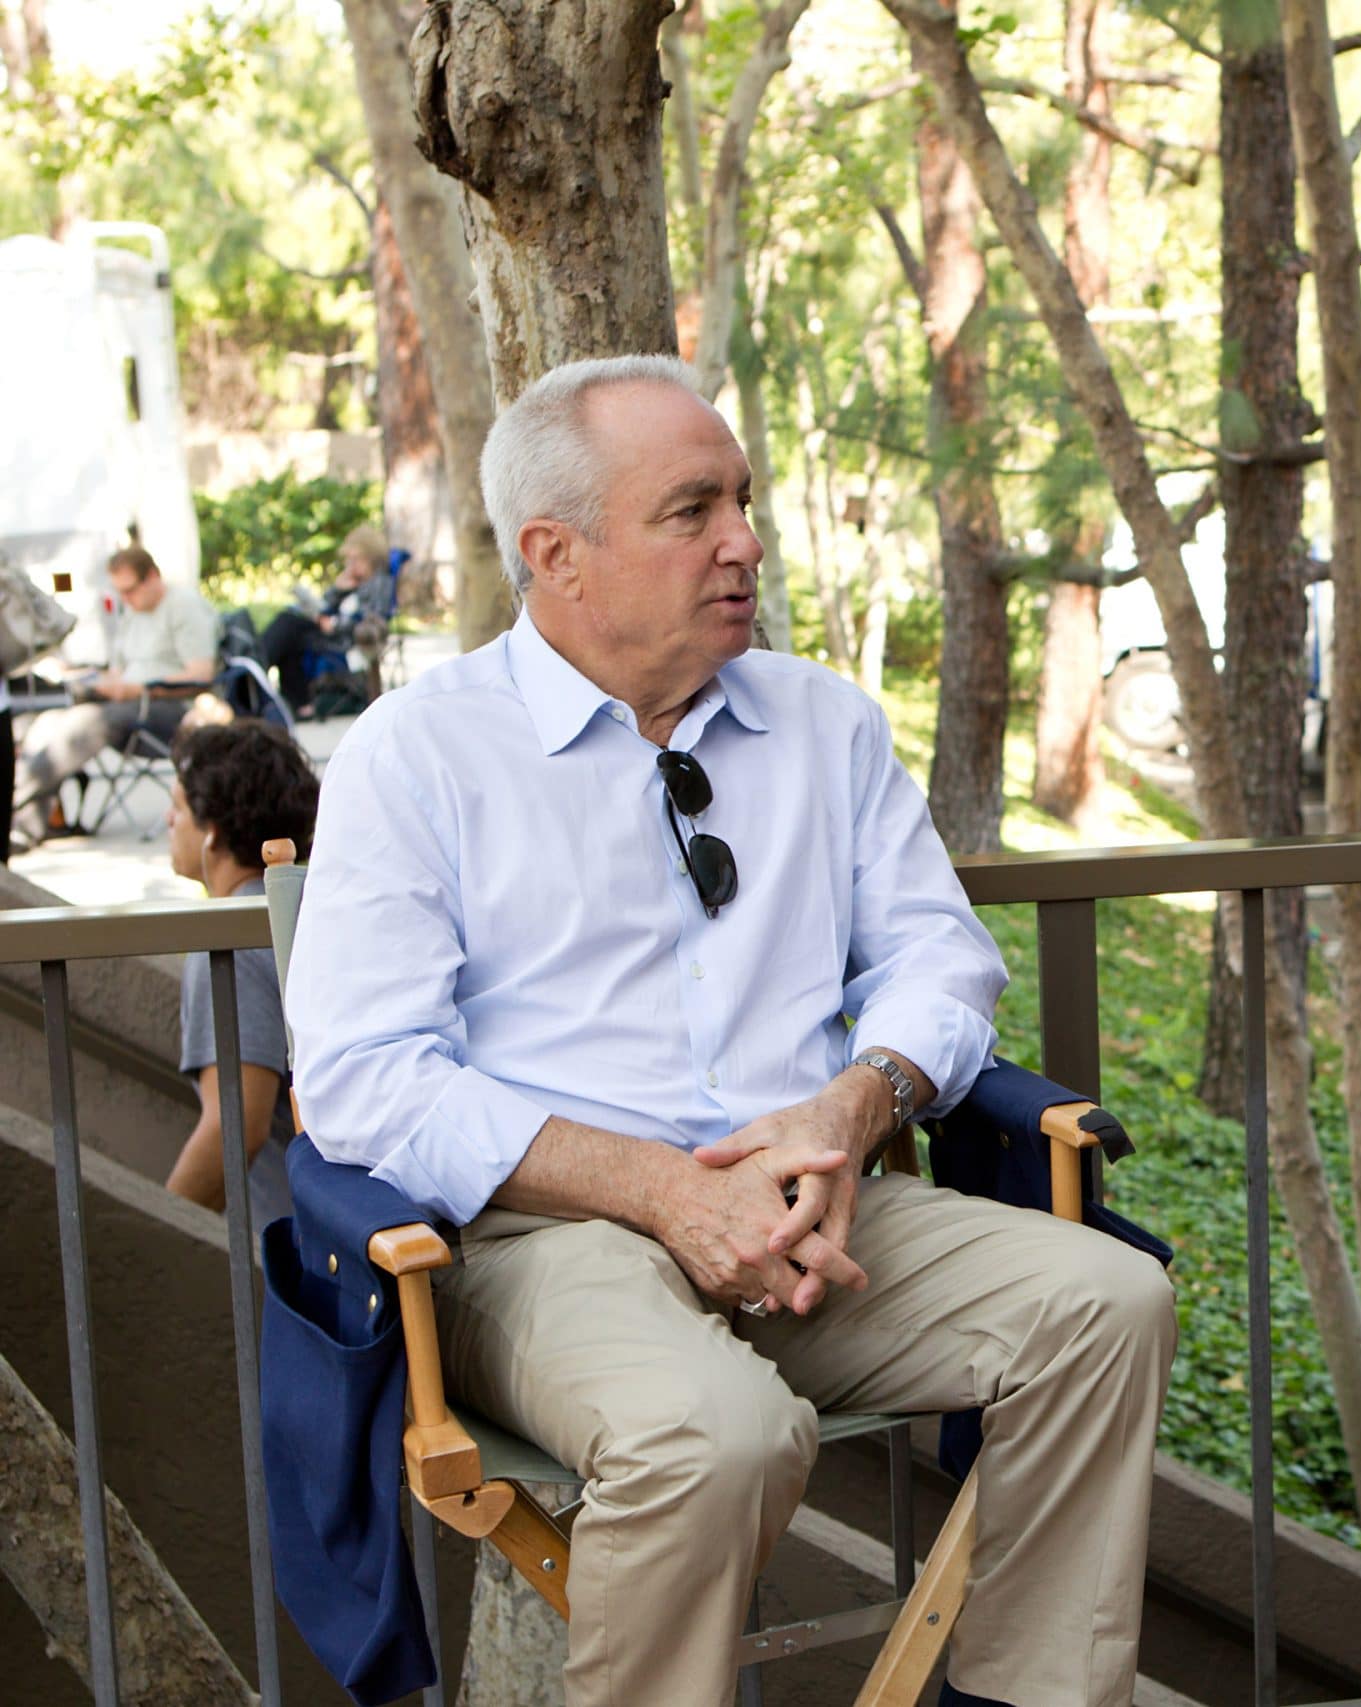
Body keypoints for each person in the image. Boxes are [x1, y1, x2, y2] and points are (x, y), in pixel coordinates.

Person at [287, 354, 1174, 1707]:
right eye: (692, 508)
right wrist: (654, 1186)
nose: (745, 541)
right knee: (716, 1432)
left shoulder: (821, 723)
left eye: (743, 501)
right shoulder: (418, 756)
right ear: (556, 554)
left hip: (816, 1200)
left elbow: (942, 958)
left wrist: (853, 1107)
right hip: (546, 1239)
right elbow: (366, 1083)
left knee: (1106, 1299)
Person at [161, 720, 319, 1232]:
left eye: (178, 809)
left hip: (291, 1255)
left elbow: (237, 1125)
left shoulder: (228, 945)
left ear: (211, 832)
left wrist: (160, 1229)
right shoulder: (304, 912)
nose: (167, 820)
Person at [11, 545, 220, 850]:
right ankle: (31, 822)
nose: (126, 599)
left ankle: (17, 809)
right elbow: (120, 669)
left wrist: (140, 688)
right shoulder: (132, 613)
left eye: (131, 590)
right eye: (119, 592)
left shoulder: (183, 606)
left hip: (171, 707)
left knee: (83, 726)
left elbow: (201, 675)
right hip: (126, 700)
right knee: (46, 721)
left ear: (152, 577)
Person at [259, 524, 396, 714]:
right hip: (328, 634)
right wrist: (338, 589)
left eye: (356, 560)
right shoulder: (353, 582)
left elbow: (370, 619)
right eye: (348, 560)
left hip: (349, 640)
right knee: (288, 622)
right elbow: (325, 605)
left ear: (370, 558)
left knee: (288, 625)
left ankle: (254, 669)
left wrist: (335, 625)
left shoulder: (379, 584)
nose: (351, 565)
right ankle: (289, 698)